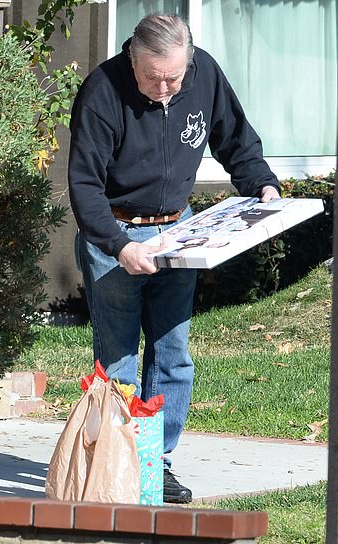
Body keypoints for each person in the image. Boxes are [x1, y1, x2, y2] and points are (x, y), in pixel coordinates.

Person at [68, 13, 280, 504]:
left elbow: (236, 140)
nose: (164, 90)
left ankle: (154, 464)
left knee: (172, 354)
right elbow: (84, 185)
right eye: (152, 78)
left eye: (173, 79)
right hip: (116, 234)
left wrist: (263, 185)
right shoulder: (102, 91)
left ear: (188, 62)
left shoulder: (202, 72)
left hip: (179, 231)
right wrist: (120, 246)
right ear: (131, 58)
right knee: (118, 359)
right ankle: (116, 467)